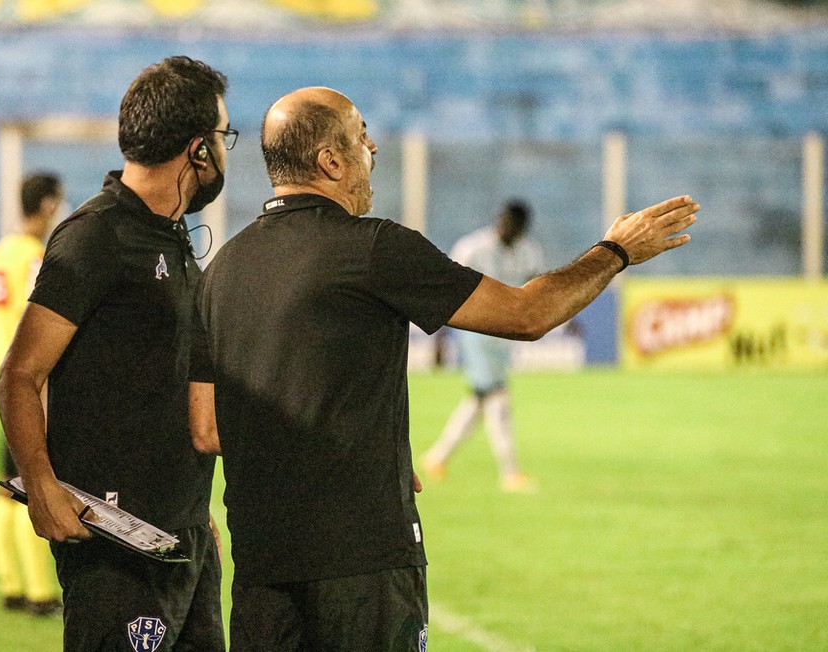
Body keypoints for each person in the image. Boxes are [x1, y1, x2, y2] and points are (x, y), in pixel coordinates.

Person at [193, 86, 698, 651]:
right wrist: (616, 249)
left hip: (262, 562)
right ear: (330, 161)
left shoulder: (220, 270)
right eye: (361, 135)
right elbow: (527, 314)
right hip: (364, 563)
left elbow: (207, 428)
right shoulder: (374, 248)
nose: (373, 147)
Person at [0, 56, 233, 650]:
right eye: (224, 137)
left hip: (182, 536)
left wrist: (192, 509)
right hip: (116, 548)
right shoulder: (95, 237)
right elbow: (19, 375)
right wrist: (43, 485)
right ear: (198, 150)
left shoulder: (172, 235)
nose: (228, 152)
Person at [0, 172, 64, 616]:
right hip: (30, 388)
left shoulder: (0, 252)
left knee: (6, 490)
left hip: (2, 380)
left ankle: (10, 584)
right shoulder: (34, 257)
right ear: (49, 204)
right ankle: (39, 592)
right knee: (34, 485)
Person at [422, 200, 543, 492]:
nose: (505, 227)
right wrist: (439, 339)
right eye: (502, 220)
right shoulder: (472, 248)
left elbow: (537, 288)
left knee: (479, 400)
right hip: (475, 334)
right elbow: (444, 291)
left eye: (512, 224)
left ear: (521, 228)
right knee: (496, 396)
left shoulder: (529, 252)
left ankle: (437, 458)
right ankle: (510, 471)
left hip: (504, 337)